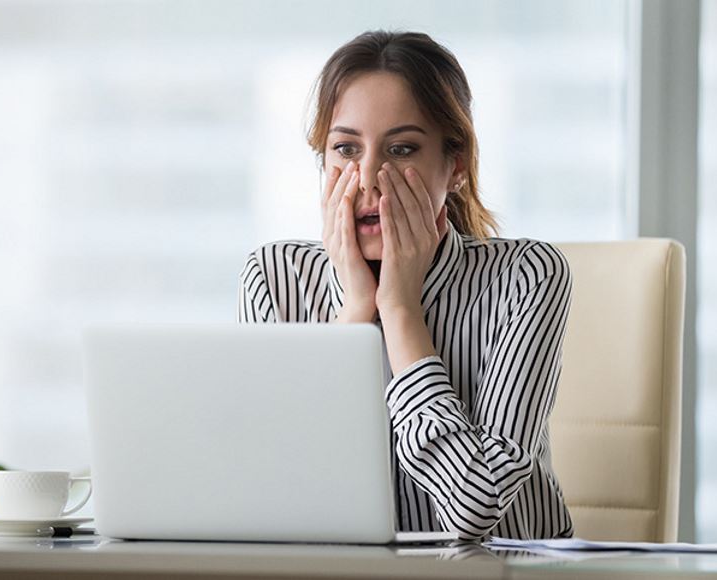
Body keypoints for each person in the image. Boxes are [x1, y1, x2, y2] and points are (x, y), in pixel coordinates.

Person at [238, 30, 573, 541]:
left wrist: (398, 311)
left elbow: (473, 509)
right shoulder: (276, 278)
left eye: (401, 149)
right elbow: (271, 495)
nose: (368, 176)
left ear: (455, 166)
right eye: (345, 148)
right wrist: (354, 313)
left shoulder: (526, 275)